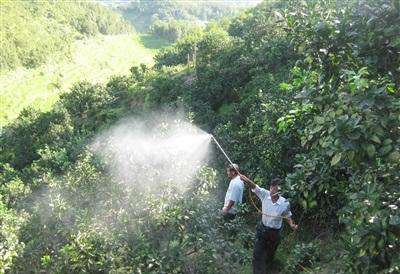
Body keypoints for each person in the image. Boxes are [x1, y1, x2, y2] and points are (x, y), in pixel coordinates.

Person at [239, 174, 298, 274]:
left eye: (274, 189)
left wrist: (291, 224)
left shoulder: (285, 203)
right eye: (271, 187)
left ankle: (268, 269)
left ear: (279, 191)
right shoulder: (265, 194)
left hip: (274, 234)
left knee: (269, 256)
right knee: (257, 254)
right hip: (262, 230)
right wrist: (246, 180)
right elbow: (255, 187)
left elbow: (287, 215)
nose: (271, 191)